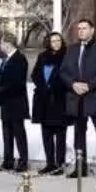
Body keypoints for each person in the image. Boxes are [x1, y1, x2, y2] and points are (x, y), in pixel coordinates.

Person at [60, 19, 96, 180]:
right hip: (77, 98)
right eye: (79, 29)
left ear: (92, 30)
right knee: (78, 134)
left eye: (84, 28)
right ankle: (80, 167)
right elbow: (63, 72)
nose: (81, 31)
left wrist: (90, 85)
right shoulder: (72, 50)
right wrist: (73, 84)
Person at [30, 32, 68, 175]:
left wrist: (54, 86)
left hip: (59, 100)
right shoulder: (42, 56)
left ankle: (59, 165)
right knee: (46, 134)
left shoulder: (66, 56)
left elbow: (67, 76)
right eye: (53, 41)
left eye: (58, 40)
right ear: (49, 43)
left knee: (60, 135)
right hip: (44, 100)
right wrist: (43, 86)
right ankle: (50, 163)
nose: (56, 43)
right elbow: (35, 74)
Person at [0, 34, 29, 172]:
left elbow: (18, 82)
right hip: (6, 102)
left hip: (16, 102)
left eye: (2, 43)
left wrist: (1, 89)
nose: (0, 46)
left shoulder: (19, 59)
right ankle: (8, 160)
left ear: (8, 44)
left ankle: (23, 161)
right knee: (7, 133)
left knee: (18, 133)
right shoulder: (6, 59)